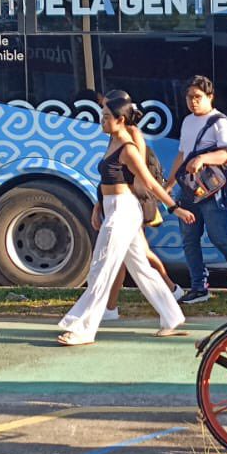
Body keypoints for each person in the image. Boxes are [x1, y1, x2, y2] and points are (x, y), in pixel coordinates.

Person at [57, 93, 192, 346]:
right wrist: (99, 205)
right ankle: (172, 316)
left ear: (120, 120)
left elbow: (149, 182)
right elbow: (109, 180)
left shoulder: (129, 148)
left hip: (124, 211)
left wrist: (175, 208)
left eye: (107, 117)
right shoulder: (112, 140)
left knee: (101, 269)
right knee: (139, 266)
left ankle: (83, 328)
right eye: (102, 116)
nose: (102, 121)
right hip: (114, 208)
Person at [167, 75, 227, 304]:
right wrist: (168, 185)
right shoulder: (187, 122)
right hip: (188, 189)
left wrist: (204, 158)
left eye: (197, 97)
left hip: (212, 192)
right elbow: (182, 155)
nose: (193, 102)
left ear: (210, 97)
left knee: (218, 236)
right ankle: (199, 287)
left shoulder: (220, 122)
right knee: (189, 239)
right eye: (189, 97)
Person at [101, 90, 183, 321]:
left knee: (129, 257)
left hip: (129, 203)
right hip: (116, 203)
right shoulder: (114, 136)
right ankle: (113, 307)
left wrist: (170, 206)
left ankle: (169, 289)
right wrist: (101, 203)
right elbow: (110, 174)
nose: (103, 116)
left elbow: (141, 174)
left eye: (108, 111)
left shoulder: (131, 136)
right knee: (134, 257)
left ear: (121, 114)